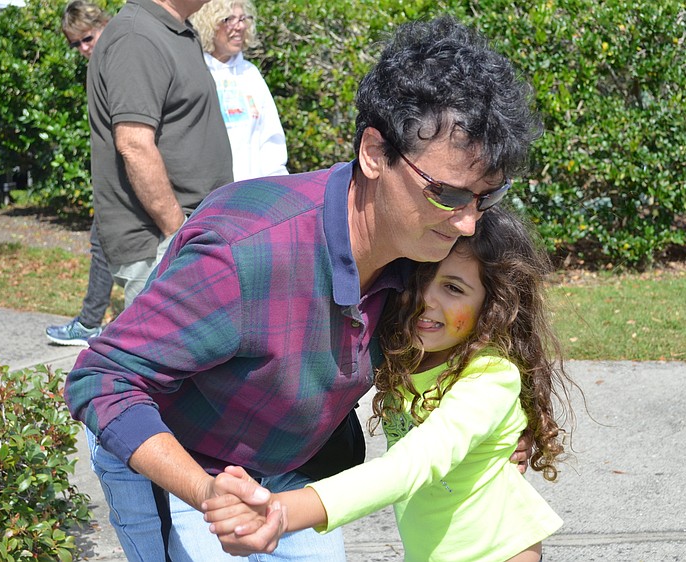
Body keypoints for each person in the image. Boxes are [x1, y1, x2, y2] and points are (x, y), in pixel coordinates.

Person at [64, 15, 538, 561]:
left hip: (291, 472)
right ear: (375, 153)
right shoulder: (245, 251)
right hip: (189, 469)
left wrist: (499, 430)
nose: (468, 224)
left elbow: (468, 347)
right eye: (448, 195)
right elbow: (103, 378)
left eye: (485, 199)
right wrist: (205, 491)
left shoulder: (422, 257)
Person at [204, 207, 575, 561]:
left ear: (493, 306)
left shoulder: (489, 376)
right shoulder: (406, 349)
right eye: (422, 277)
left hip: (499, 549)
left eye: (454, 289)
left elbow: (409, 466)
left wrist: (284, 510)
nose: (427, 298)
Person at [86, 0, 233, 308]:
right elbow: (134, 145)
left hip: (192, 234)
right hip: (161, 245)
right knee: (161, 354)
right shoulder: (136, 36)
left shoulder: (177, 30)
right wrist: (178, 233)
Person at [45, 0, 113, 346]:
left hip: (127, 178)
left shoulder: (116, 58)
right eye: (75, 44)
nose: (83, 49)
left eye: (86, 38)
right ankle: (91, 321)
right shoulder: (102, 61)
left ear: (102, 23)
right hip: (115, 179)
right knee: (102, 242)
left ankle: (91, 324)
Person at [191, 0, 288, 181]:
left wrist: (278, 183)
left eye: (243, 19)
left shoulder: (250, 74)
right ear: (209, 24)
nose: (240, 26)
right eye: (229, 19)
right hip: (210, 194)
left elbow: (271, 137)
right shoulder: (195, 71)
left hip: (253, 194)